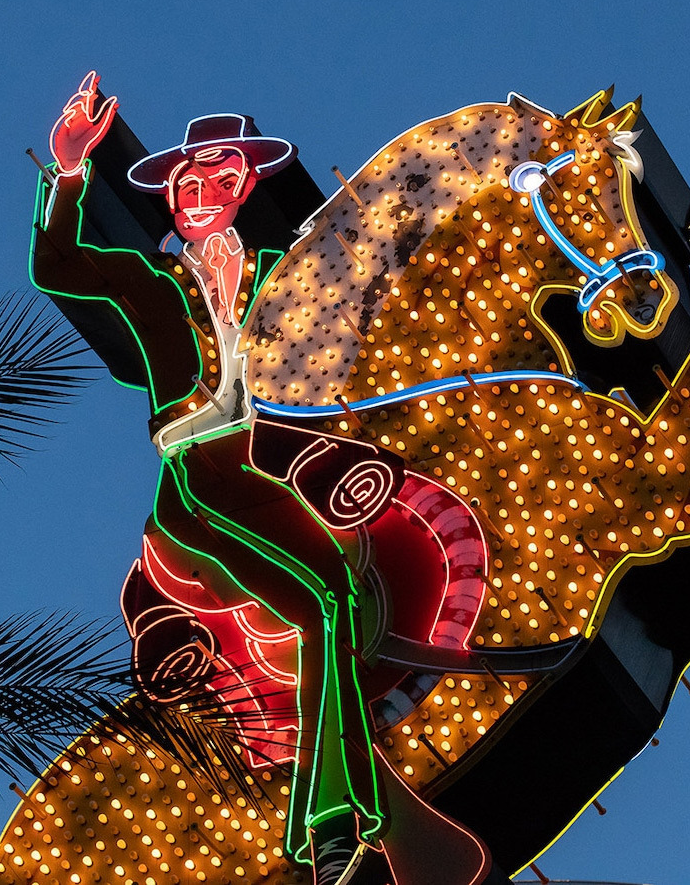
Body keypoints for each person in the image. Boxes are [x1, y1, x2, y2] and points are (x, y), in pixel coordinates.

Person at [30, 74, 429, 885]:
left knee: (333, 605)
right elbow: (57, 262)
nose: (198, 195)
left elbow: (368, 308)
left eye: (217, 179)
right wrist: (70, 171)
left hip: (269, 460)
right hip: (199, 472)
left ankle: (335, 830)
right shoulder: (155, 286)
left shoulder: (290, 273)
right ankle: (330, 830)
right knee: (324, 601)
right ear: (171, 200)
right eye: (184, 184)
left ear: (245, 184)